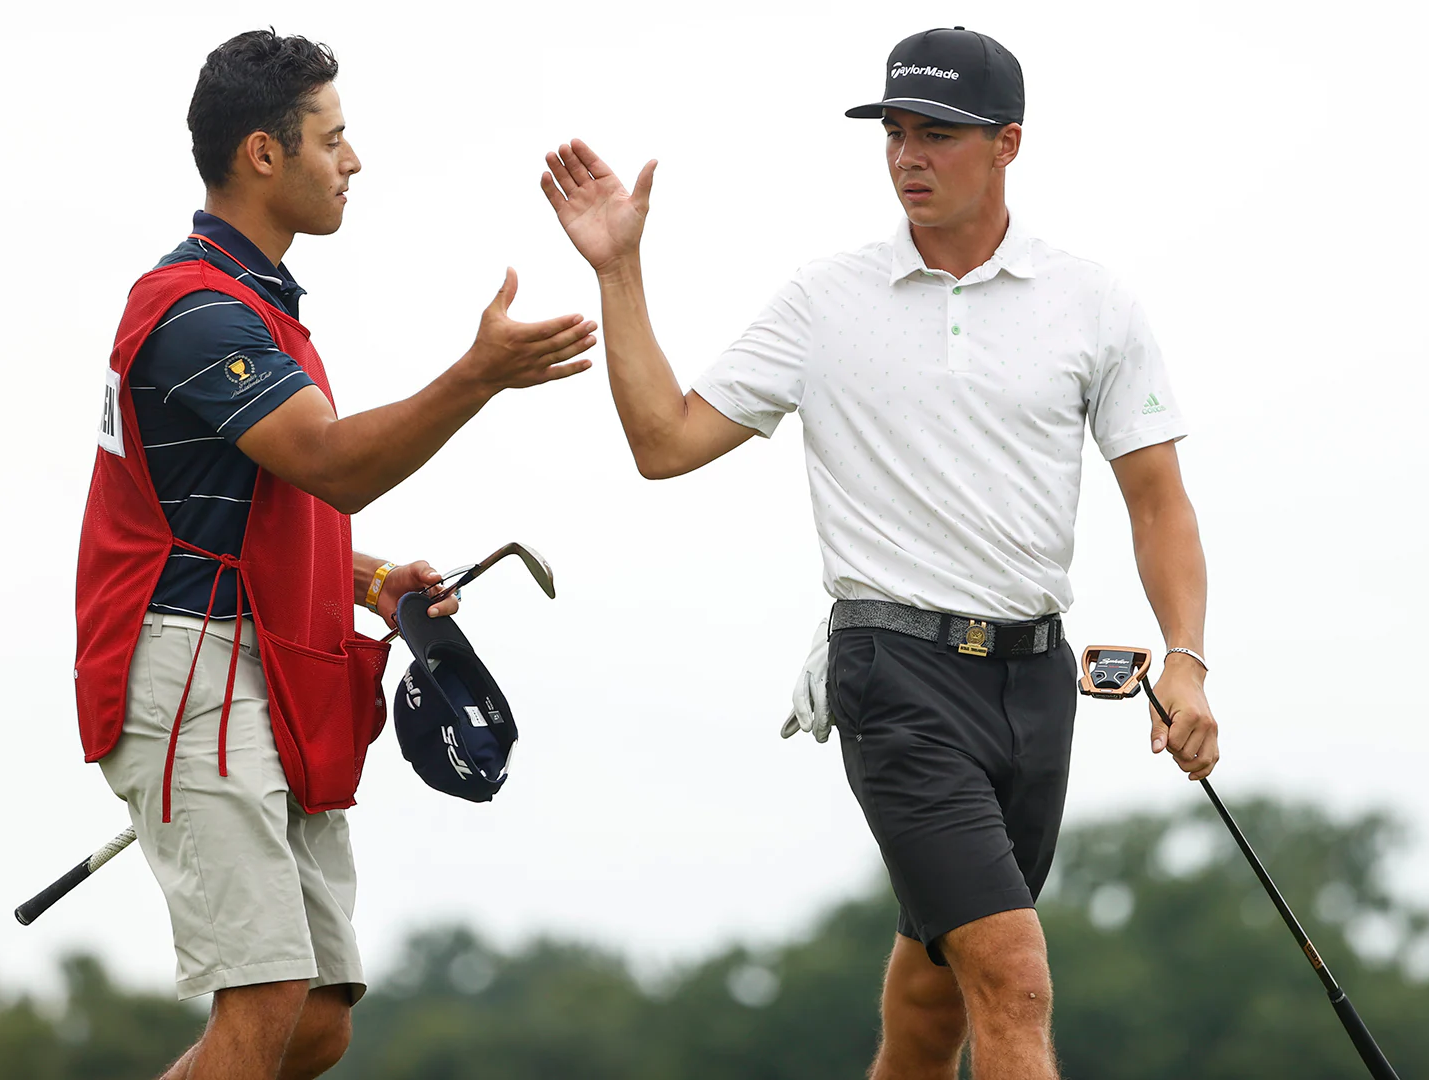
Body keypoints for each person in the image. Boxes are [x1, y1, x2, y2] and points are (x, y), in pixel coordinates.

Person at [541, 26, 1218, 1080]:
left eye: (937, 135)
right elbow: (664, 443)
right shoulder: (826, 299)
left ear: (1007, 144)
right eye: (895, 132)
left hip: (1038, 685)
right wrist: (620, 271)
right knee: (1013, 976)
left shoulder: (1093, 301)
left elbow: (1158, 502)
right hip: (894, 671)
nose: (908, 155)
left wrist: (1186, 656)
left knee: (933, 993)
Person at [74, 30, 595, 1080]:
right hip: (191, 673)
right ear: (265, 154)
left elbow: (262, 500)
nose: (352, 160)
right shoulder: (195, 312)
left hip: (261, 664)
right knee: (265, 997)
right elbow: (331, 465)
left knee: (314, 1019)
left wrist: (367, 579)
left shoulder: (257, 307)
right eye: (334, 137)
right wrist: (479, 373)